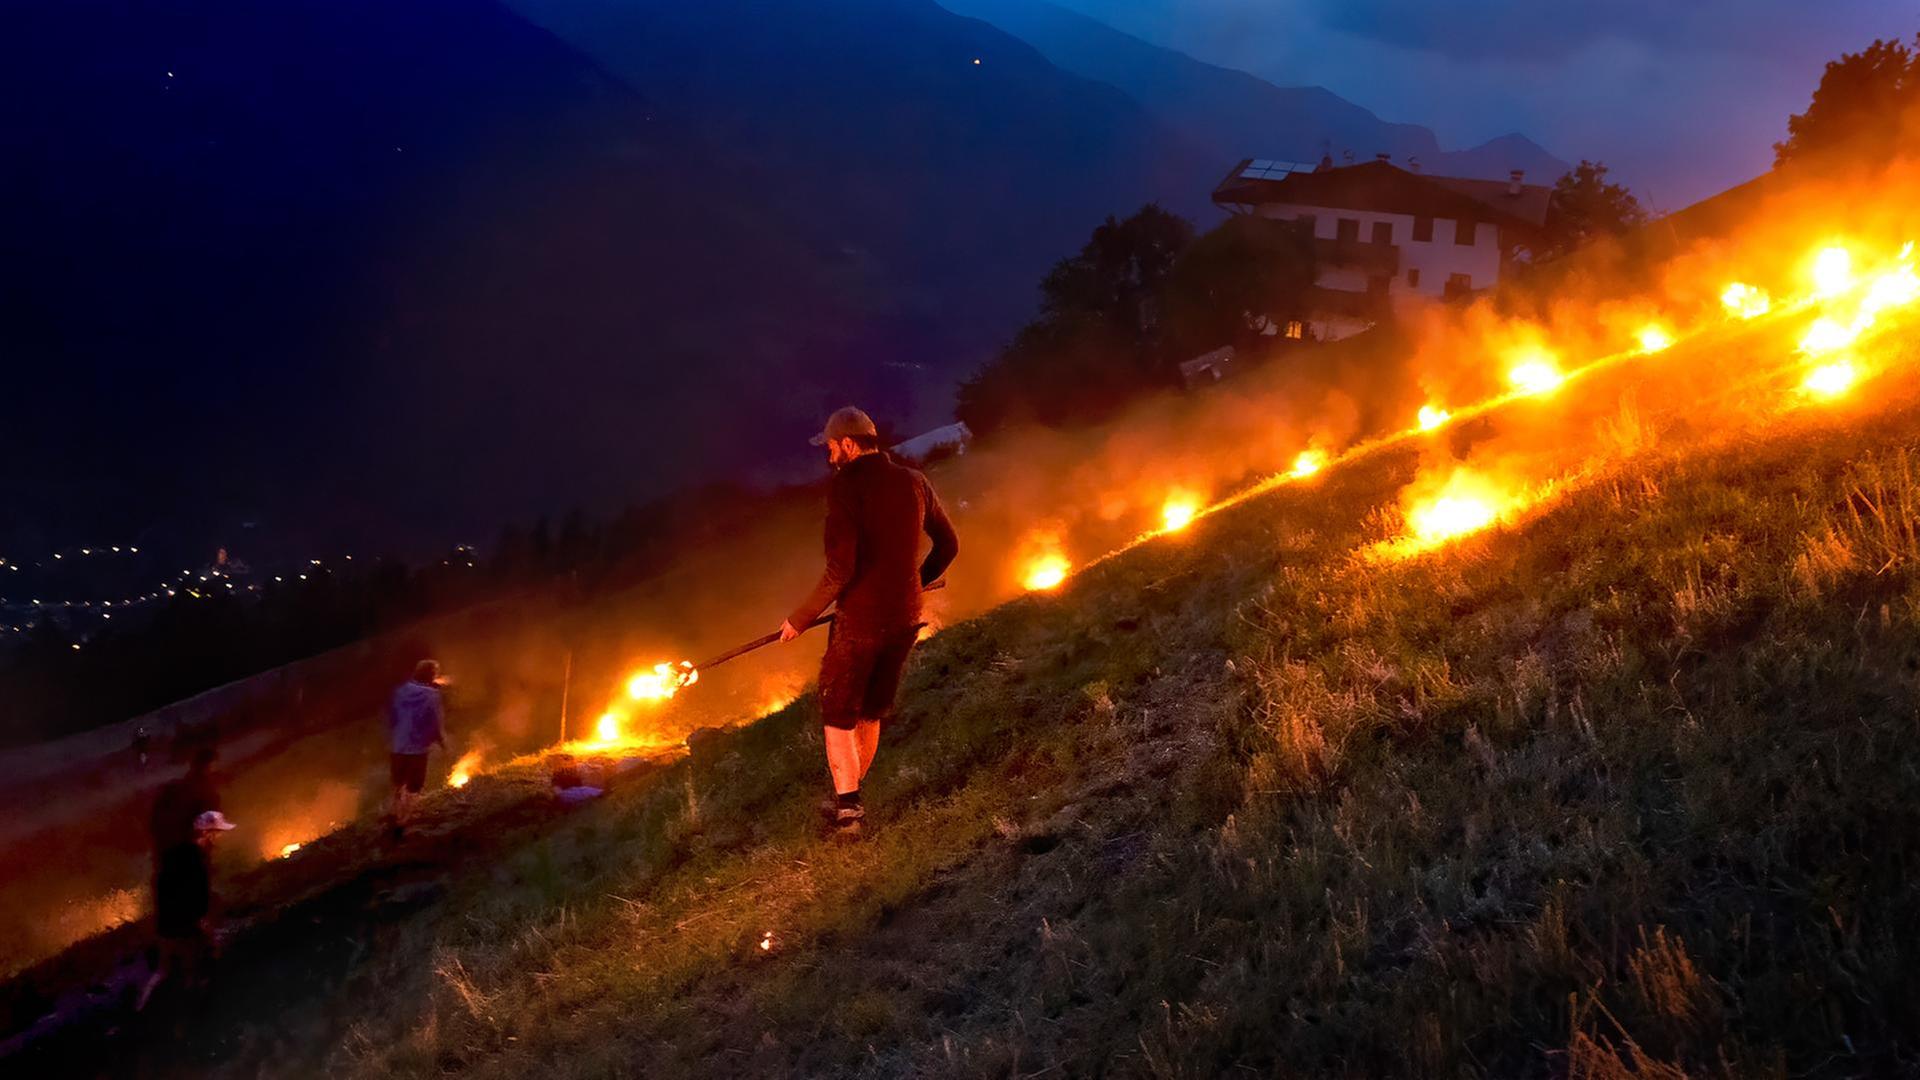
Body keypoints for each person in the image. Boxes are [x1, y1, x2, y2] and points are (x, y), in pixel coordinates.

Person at [780, 406, 958, 838]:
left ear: (847, 444)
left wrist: (799, 619)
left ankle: (849, 813)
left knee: (838, 711)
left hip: (860, 620)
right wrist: (912, 584)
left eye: (830, 448)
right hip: (904, 616)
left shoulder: (846, 487)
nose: (828, 457)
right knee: (872, 710)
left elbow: (841, 569)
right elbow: (948, 545)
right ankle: (851, 796)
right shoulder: (916, 482)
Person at [138, 809, 235, 1011]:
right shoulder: (195, 860)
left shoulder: (178, 854)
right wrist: (205, 928)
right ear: (207, 833)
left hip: (166, 924)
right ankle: (191, 1012)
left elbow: (162, 886)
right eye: (217, 832)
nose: (219, 838)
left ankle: (140, 1009)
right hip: (183, 926)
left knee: (162, 971)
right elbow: (191, 898)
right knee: (193, 968)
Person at [386, 659, 447, 839]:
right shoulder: (432, 696)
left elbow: (392, 716)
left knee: (398, 783)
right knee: (414, 787)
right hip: (417, 749)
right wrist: (441, 742)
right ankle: (402, 822)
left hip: (397, 746)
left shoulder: (400, 691)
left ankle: (395, 812)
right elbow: (435, 723)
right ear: (431, 676)